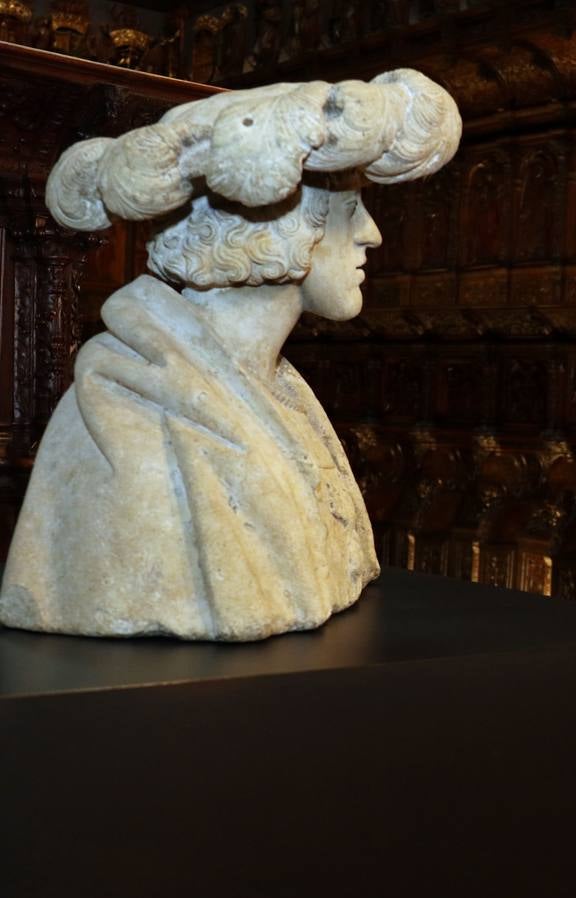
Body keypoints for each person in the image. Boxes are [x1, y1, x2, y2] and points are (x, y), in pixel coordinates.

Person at [0, 70, 462, 640]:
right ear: (281, 227)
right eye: (349, 211)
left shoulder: (285, 393)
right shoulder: (120, 410)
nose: (372, 235)